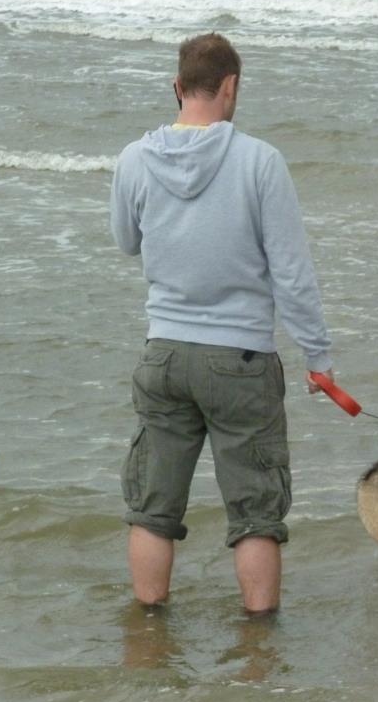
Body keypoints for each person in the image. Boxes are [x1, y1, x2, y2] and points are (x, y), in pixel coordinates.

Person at [109, 33, 334, 615]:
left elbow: (125, 241)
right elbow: (291, 273)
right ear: (230, 87)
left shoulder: (134, 158)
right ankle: (259, 646)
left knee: (152, 509)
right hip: (240, 360)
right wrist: (318, 358)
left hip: (164, 354)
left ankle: (148, 637)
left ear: (177, 87)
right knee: (256, 515)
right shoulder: (260, 161)